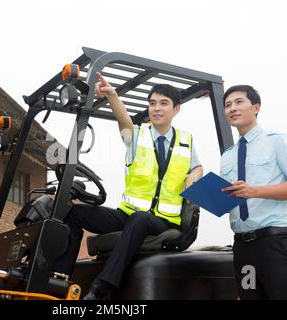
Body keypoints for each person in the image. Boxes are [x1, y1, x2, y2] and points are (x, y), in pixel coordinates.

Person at [53, 72, 203, 300]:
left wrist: (194, 175)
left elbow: (197, 167)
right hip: (129, 216)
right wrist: (113, 96)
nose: (157, 108)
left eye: (164, 103)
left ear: (176, 109)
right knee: (74, 213)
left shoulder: (186, 141)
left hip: (164, 221)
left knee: (140, 219)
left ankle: (103, 287)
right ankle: (58, 281)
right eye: (152, 103)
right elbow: (124, 121)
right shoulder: (137, 136)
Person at [220, 85, 287, 300]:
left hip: (275, 245)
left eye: (239, 102)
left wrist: (254, 191)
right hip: (242, 248)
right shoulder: (227, 155)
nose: (232, 108)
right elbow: (232, 198)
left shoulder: (277, 140)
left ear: (256, 107)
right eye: (228, 105)